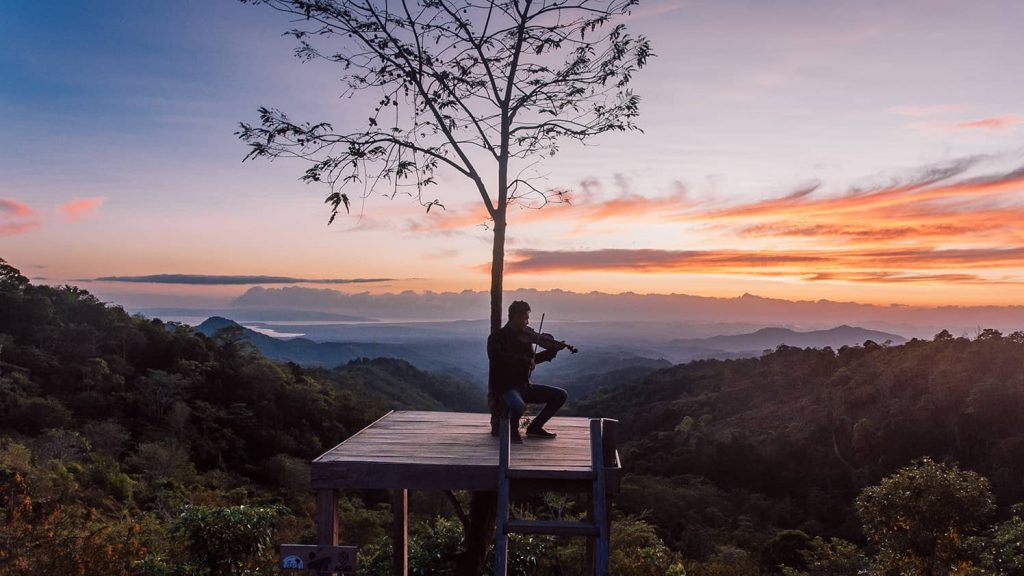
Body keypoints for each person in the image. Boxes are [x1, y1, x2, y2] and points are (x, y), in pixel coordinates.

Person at [487, 300, 568, 441]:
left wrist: (553, 350)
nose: (527, 322)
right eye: (525, 318)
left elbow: (533, 359)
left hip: (524, 386)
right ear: (516, 317)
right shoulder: (497, 337)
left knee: (560, 395)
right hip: (505, 387)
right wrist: (525, 360)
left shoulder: (526, 338)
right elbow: (498, 358)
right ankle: (511, 431)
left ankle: (535, 427)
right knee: (518, 405)